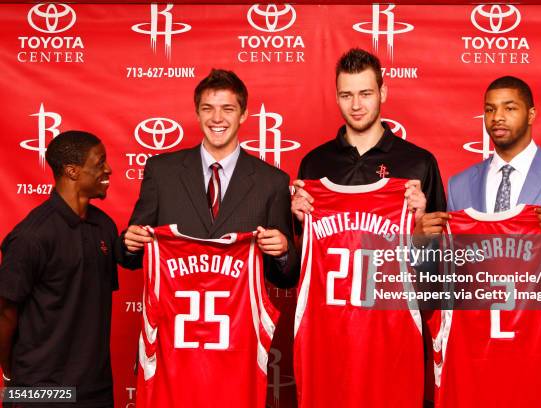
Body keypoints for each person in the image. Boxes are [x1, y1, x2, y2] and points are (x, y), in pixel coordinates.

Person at [416, 76, 541, 408]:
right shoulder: (461, 185)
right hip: (475, 354)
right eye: (490, 109)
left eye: (509, 108)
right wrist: (420, 247)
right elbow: (448, 279)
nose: (498, 118)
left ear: (531, 114)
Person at [119, 68, 297, 287]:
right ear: (197, 113)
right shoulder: (161, 171)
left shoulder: (272, 182)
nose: (217, 118)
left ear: (243, 114)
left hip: (238, 319)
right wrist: (129, 243)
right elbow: (132, 256)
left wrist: (282, 252)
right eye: (207, 109)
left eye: (228, 109)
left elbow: (286, 278)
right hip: (176, 314)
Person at [0, 130, 117, 407]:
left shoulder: (104, 226)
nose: (108, 169)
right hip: (40, 389)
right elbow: (5, 313)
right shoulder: (31, 236)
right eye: (100, 162)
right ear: (73, 171)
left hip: (95, 389)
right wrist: (9, 374)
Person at [291, 47, 446, 222]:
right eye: (346, 95)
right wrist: (302, 222)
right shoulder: (314, 163)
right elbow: (303, 245)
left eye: (365, 94)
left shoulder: (420, 163)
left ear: (382, 93)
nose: (356, 105)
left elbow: (441, 244)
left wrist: (420, 221)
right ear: (336, 97)